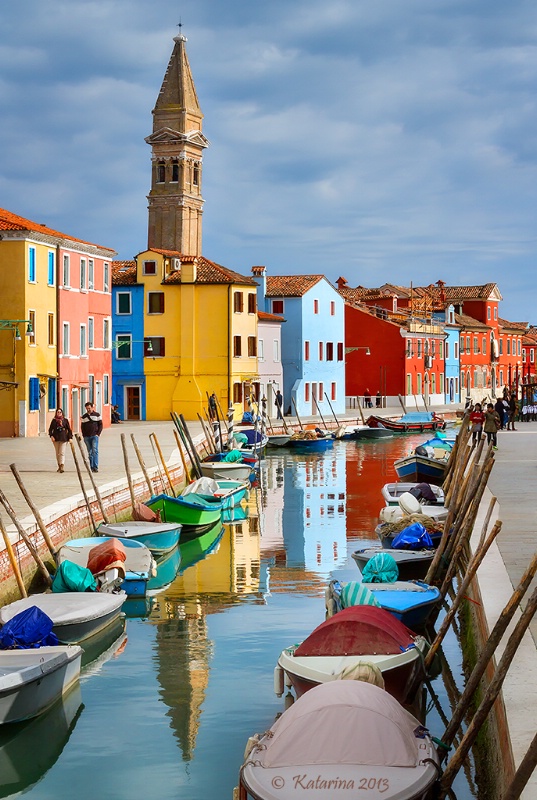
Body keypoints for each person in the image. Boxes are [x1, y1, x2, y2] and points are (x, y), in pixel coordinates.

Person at [48, 408, 73, 473]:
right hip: (56, 438)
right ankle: (59, 465)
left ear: (62, 413)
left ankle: (62, 466)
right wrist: (51, 436)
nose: (59, 413)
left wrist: (70, 437)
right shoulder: (54, 421)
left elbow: (69, 430)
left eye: (60, 412)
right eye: (58, 412)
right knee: (57, 453)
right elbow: (50, 429)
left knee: (62, 452)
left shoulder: (65, 420)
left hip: (64, 438)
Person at [81, 402, 103, 473]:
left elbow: (100, 425)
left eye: (89, 408)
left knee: (95, 451)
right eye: (87, 409)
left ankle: (95, 466)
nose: (88, 410)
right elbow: (82, 427)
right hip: (87, 437)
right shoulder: (84, 416)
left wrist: (98, 434)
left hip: (94, 436)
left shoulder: (97, 415)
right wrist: (84, 435)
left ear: (92, 407)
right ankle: (91, 466)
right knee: (90, 452)